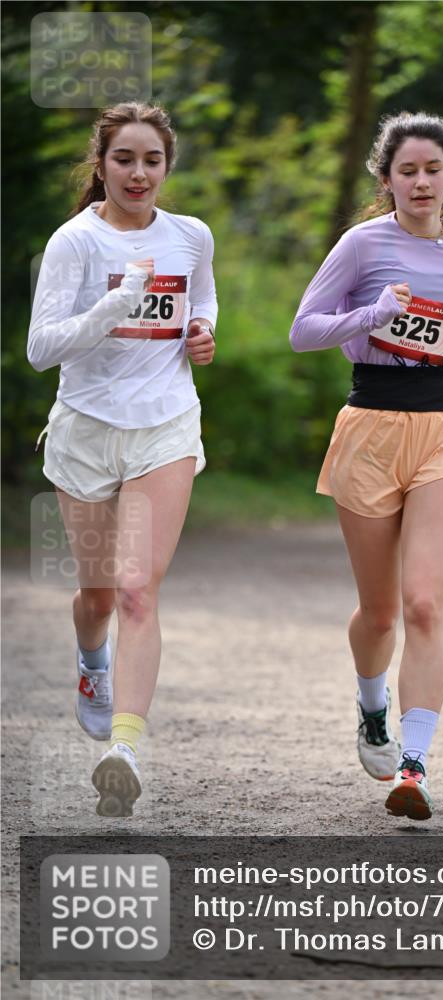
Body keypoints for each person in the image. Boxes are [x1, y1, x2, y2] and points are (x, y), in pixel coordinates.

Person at [289, 111, 443, 821]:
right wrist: (370, 315)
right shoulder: (360, 245)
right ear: (386, 180)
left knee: (423, 605)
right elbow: (303, 329)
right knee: (379, 613)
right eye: (405, 171)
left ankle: (412, 766)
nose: (420, 181)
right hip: (371, 427)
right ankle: (371, 706)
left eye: (432, 169)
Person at [28, 102, 217, 817]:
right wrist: (116, 306)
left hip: (164, 424)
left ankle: (125, 748)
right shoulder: (75, 243)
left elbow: (202, 299)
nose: (139, 174)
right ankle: (90, 661)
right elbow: (40, 349)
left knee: (139, 590)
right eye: (124, 160)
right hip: (85, 429)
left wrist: (201, 331)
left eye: (152, 160)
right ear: (101, 164)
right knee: (99, 595)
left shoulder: (190, 235)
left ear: (167, 166)